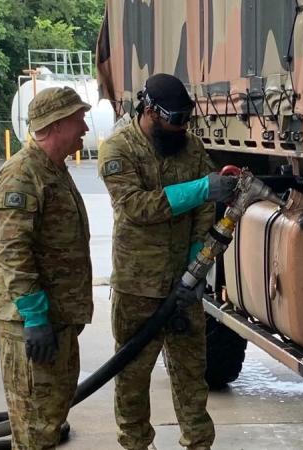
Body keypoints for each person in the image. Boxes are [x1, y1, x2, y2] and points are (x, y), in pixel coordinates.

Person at [98, 73, 237, 450]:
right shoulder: (118, 150)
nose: (182, 128)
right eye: (175, 120)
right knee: (132, 378)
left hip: (184, 284)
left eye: (185, 120)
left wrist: (196, 267)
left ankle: (198, 443)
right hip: (137, 288)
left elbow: (205, 214)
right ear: (150, 112)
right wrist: (202, 187)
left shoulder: (189, 147)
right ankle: (135, 444)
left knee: (192, 376)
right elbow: (136, 208)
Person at [0, 86, 93, 449]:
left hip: (57, 320)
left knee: (50, 420)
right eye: (78, 118)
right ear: (56, 124)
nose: (84, 126)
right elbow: (12, 252)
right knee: (35, 429)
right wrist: (35, 317)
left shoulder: (53, 169)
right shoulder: (22, 174)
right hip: (30, 325)